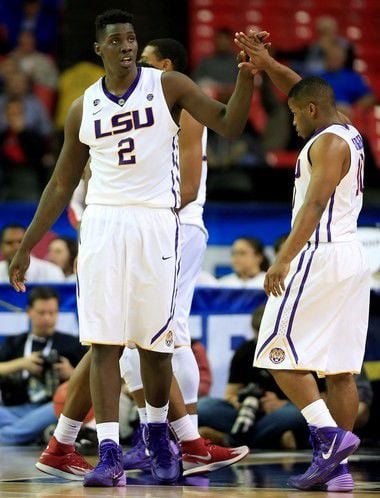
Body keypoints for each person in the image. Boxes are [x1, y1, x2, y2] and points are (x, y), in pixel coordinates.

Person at [9, 9, 256, 487]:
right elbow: (61, 183)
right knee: (104, 343)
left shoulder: (168, 85)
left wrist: (245, 78)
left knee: (156, 344)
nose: (125, 46)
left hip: (156, 223)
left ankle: (160, 435)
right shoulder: (83, 107)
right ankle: (106, 451)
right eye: (116, 40)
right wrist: (28, 247)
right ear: (98, 49)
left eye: (131, 38)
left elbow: (229, 124)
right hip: (103, 224)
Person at [235, 31, 371, 491]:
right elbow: (303, 88)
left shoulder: (326, 145)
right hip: (351, 256)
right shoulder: (346, 128)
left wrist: (281, 261)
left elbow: (312, 209)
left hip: (319, 254)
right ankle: (339, 469)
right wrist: (267, 61)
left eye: (294, 113)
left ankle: (328, 437)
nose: (291, 120)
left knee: (275, 351)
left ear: (311, 111)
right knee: (339, 369)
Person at [198, 305, 308, 450]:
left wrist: (281, 403)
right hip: (247, 414)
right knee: (203, 407)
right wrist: (241, 402)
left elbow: (320, 399)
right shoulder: (245, 351)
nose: (262, 340)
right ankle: (272, 440)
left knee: (297, 414)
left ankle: (231, 440)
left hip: (281, 412)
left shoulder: (300, 351)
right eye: (258, 335)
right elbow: (230, 394)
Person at [0, 287, 87, 444]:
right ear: (29, 312)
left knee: (63, 406)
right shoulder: (15, 342)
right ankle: (36, 433)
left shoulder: (72, 344)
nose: (47, 318)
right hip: (18, 407)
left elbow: (92, 379)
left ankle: (10, 436)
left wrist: (71, 373)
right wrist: (21, 364)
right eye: (41, 313)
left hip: (51, 406)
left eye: (52, 313)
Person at [0, 224, 64, 282]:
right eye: (9, 243)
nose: (16, 247)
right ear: (1, 247)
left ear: (29, 244)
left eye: (20, 242)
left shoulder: (52, 271)